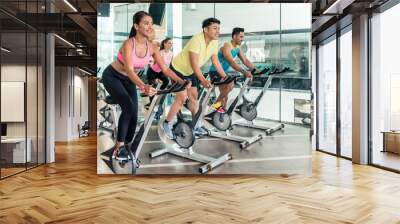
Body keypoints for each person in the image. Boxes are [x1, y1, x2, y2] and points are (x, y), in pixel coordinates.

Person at [101, 11, 185, 160]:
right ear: (136, 26)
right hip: (112, 76)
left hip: (129, 80)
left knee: (134, 114)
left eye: (151, 23)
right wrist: (143, 86)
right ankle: (118, 147)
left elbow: (165, 68)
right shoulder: (128, 44)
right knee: (127, 106)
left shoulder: (152, 47)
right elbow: (129, 70)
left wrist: (180, 81)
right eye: (146, 23)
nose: (149, 26)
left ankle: (127, 145)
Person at [162, 17, 229, 139]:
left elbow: (215, 61)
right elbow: (194, 63)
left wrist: (225, 77)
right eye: (215, 28)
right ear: (205, 29)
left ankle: (195, 125)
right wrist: (202, 80)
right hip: (178, 69)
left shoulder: (214, 42)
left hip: (191, 71)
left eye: (218, 28)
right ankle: (167, 124)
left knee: (194, 97)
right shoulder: (196, 40)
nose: (218, 31)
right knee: (182, 98)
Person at [208, 27, 258, 112]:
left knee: (225, 96)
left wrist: (256, 70)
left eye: (243, 37)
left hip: (224, 72)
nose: (242, 39)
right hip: (215, 71)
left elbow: (245, 60)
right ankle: (215, 105)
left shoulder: (237, 48)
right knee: (230, 85)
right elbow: (231, 62)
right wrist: (245, 72)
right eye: (241, 37)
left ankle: (221, 116)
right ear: (234, 36)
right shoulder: (227, 46)